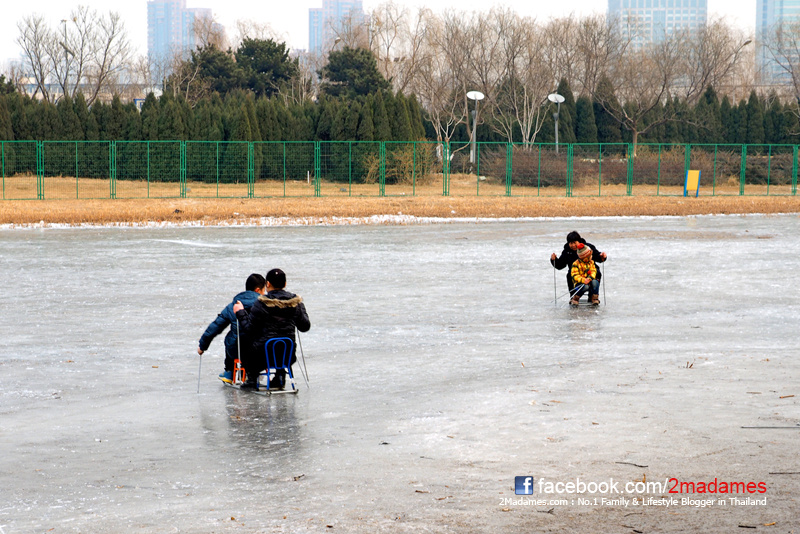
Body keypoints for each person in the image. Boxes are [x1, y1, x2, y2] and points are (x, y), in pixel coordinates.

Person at [233, 268, 311, 390]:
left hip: (263, 357)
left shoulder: (261, 303)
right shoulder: (295, 302)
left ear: (268, 284)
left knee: (246, 340)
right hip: (288, 355)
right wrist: (300, 307)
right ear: (285, 284)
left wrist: (240, 312)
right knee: (280, 343)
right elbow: (305, 327)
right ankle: (280, 376)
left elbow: (250, 330)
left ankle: (252, 379)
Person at [198, 273, 266, 383]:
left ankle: (229, 371)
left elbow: (216, 326)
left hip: (238, 351)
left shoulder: (232, 306)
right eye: (264, 291)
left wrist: (202, 346)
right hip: (261, 352)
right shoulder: (266, 306)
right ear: (258, 290)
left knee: (232, 337)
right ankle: (256, 373)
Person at [550, 230, 607, 296]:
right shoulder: (567, 251)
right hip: (576, 272)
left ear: (579, 241)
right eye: (571, 243)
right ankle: (573, 295)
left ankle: (593, 295)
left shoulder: (588, 247)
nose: (573, 245)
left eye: (574, 243)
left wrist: (602, 256)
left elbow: (598, 257)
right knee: (569, 275)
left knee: (597, 273)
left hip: (589, 270)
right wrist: (554, 260)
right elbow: (560, 265)